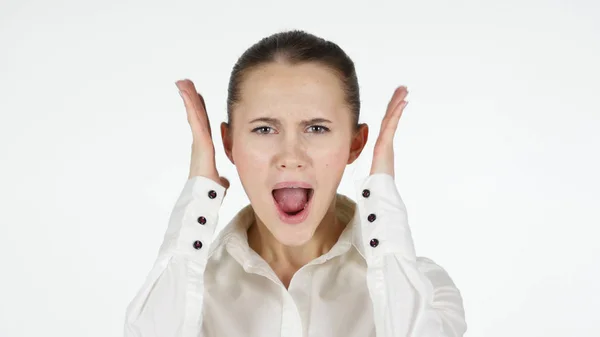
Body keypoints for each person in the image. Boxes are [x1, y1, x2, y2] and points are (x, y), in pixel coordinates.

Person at [123, 30, 466, 337]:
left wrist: (382, 196)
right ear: (229, 144)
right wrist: (198, 193)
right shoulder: (187, 289)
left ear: (355, 144)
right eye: (264, 129)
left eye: (316, 128)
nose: (290, 155)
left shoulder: (423, 289)